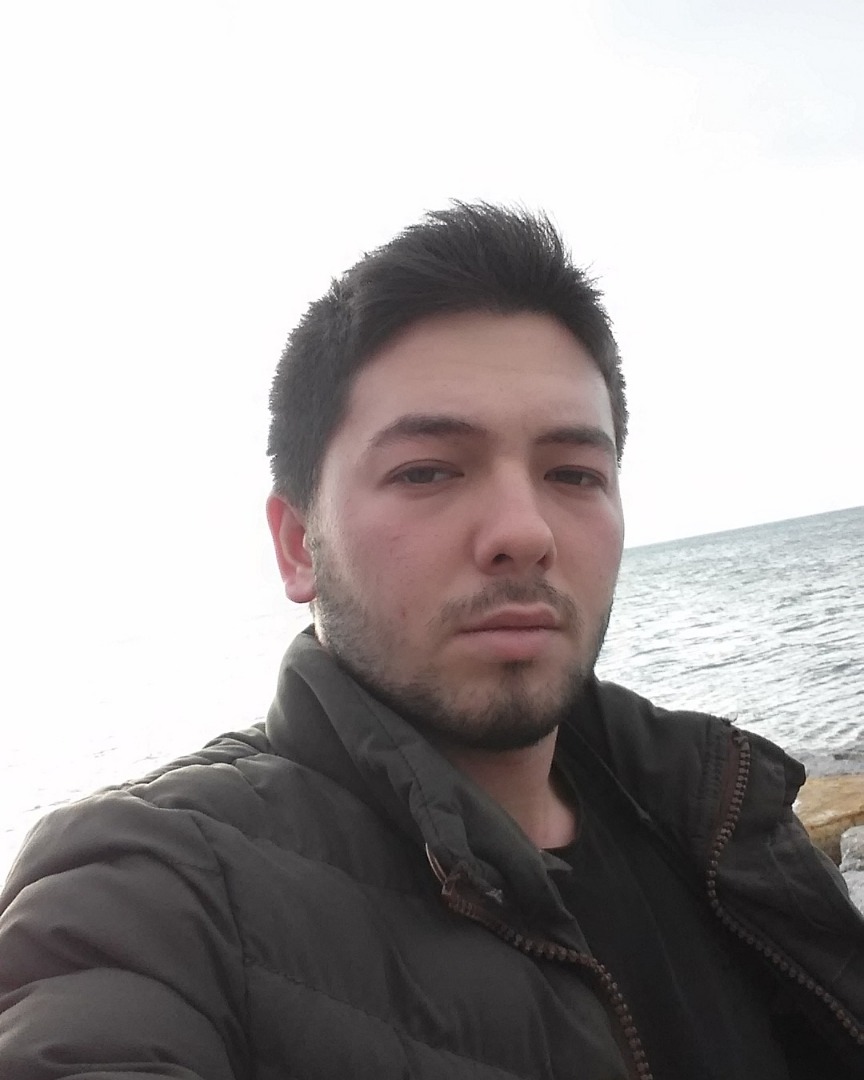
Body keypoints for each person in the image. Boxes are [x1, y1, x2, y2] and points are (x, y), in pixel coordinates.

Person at [1, 204, 862, 1080]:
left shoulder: (716, 804)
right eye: (426, 471)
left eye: (573, 474)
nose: (524, 531)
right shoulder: (153, 888)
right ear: (299, 546)